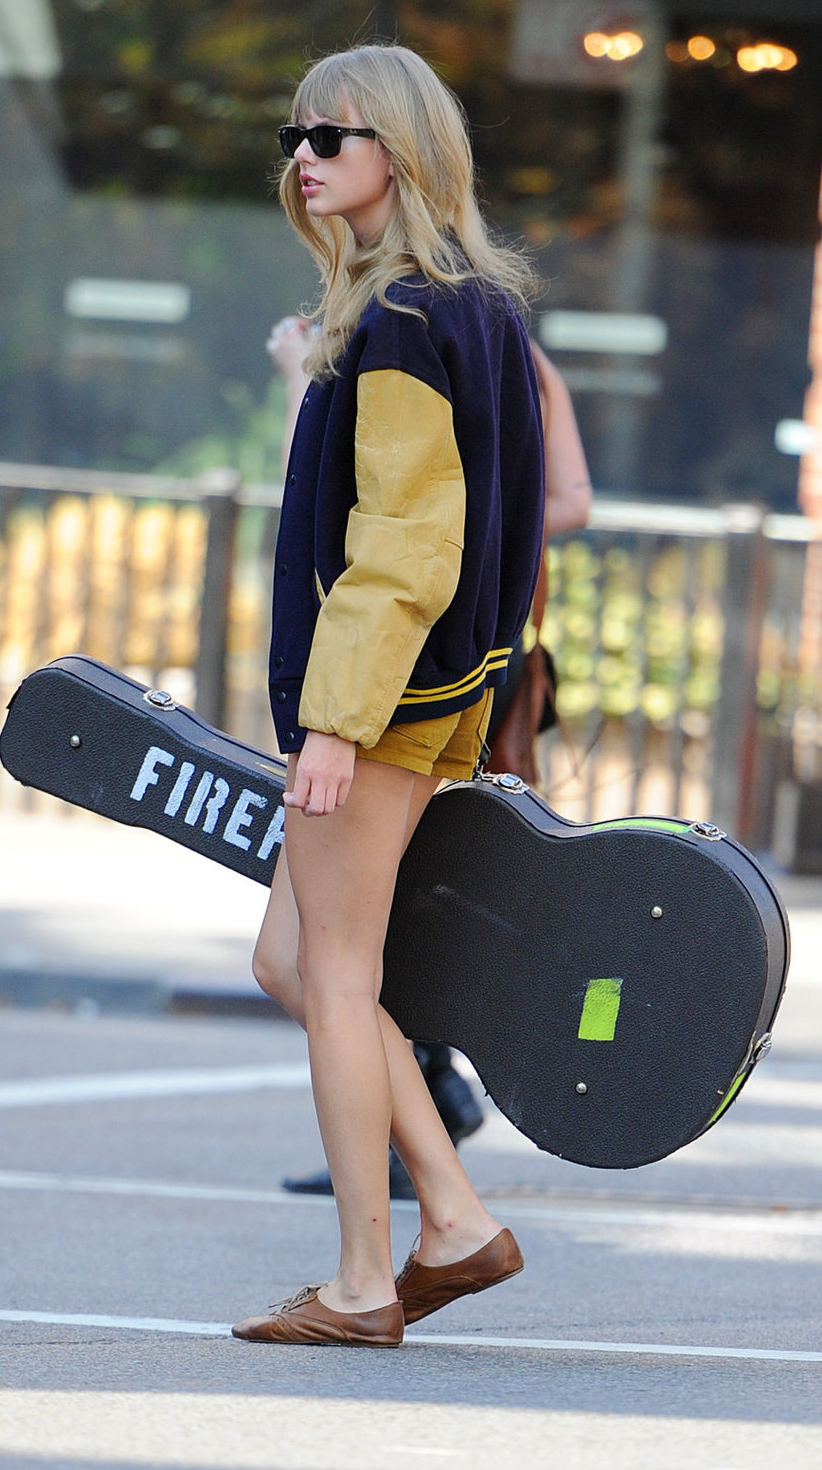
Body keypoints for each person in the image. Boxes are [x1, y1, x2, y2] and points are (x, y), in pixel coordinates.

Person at [235, 44, 545, 1346]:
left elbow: (407, 542)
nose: (304, 155)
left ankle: (367, 1275)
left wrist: (332, 720)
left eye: (333, 134)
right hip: (428, 690)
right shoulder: (462, 307)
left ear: (399, 153)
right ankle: (455, 1216)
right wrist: (319, 365)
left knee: (337, 962)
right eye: (296, 132)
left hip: (380, 697)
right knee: (293, 959)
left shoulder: (409, 320)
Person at [262, 327, 589, 1200]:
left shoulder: (401, 332)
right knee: (311, 950)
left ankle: (430, 1208)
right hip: (471, 649)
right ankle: (443, 1177)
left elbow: (363, 514)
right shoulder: (512, 353)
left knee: (337, 952)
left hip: (391, 666)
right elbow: (568, 500)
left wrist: (301, 375)